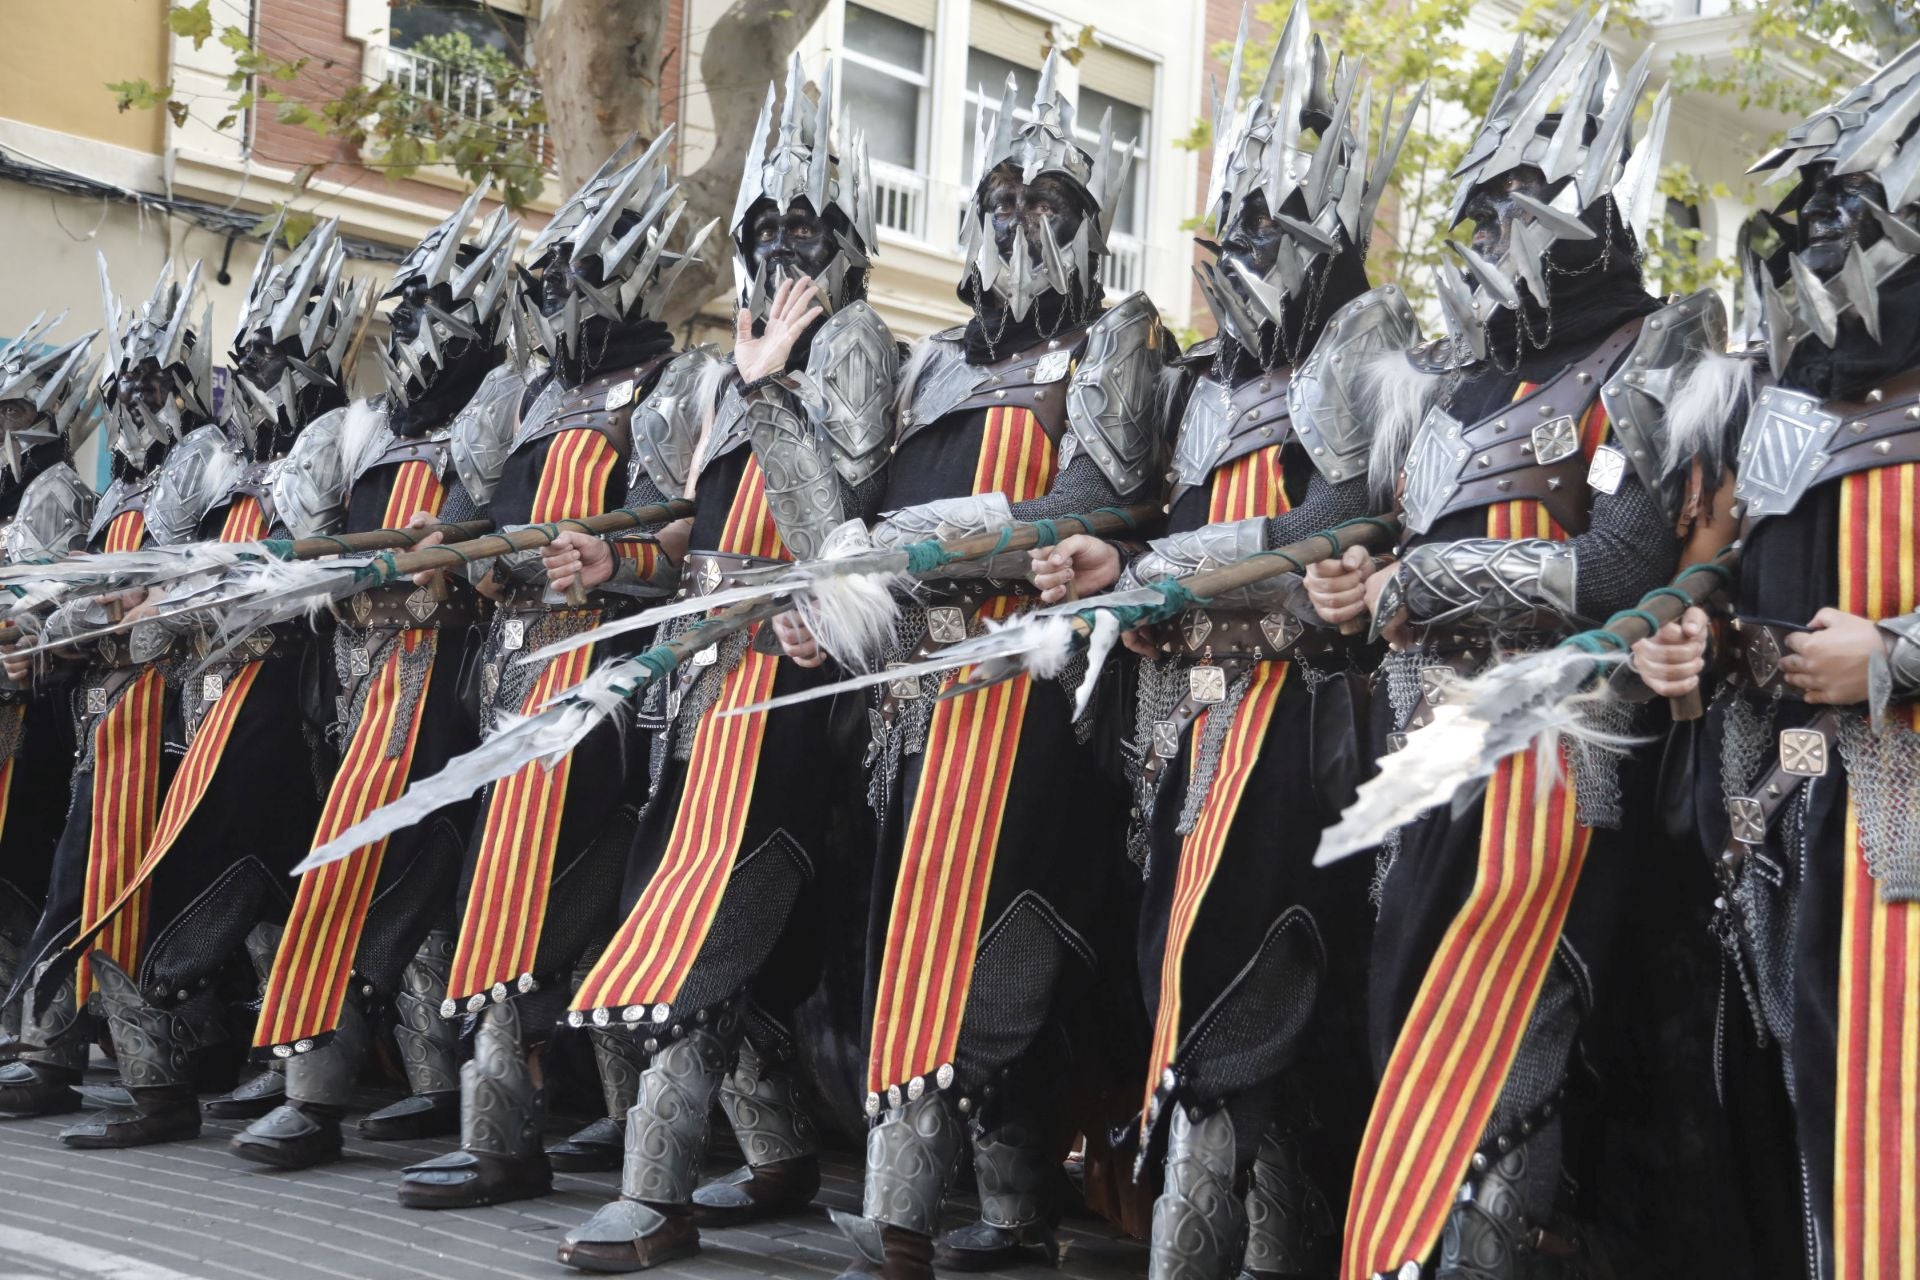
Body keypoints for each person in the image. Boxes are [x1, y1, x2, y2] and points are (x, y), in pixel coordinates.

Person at [1303, 14, 1739, 1276]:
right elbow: (1344, 543)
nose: (1489, 232)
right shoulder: (1449, 382)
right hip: (1420, 763)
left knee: (1504, 1069)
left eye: (1514, 203)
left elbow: (1615, 570)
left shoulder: (1657, 347)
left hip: (1557, 769)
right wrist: (1345, 594)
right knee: (1411, 1045)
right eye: (1481, 204)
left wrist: (1419, 578)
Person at [1029, 7, 1422, 1276]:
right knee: (1177, 963)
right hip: (1185, 717)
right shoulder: (1202, 376)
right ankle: (1273, 1237)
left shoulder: (1365, 341)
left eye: (1269, 217)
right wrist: (1115, 564)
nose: (1240, 240)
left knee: (1238, 968)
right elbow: (1155, 519)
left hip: (1295, 712)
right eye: (1232, 211)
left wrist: (1151, 574)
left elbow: (1332, 522)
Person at [819, 51, 1173, 1280]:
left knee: (994, 936)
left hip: (1033, 688)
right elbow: (854, 502)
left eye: (1054, 205)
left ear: (1091, 226)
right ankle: (999, 1199)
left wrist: (952, 537)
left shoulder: (1116, 341)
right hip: (915, 693)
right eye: (1007, 201)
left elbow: (1101, 489)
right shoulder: (926, 363)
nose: (1024, 224)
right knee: (902, 930)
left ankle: (912, 1211)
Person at [554, 54, 898, 1272]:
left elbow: (835, 541)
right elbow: (699, 545)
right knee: (683, 914)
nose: (784, 251)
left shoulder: (855, 350)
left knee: (706, 927)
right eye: (766, 229)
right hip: (700, 688)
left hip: (792, 688)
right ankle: (774, 1153)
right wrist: (620, 576)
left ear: (848, 242)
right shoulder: (729, 363)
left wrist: (769, 396)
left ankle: (657, 1193)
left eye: (808, 229)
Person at [1631, 42, 1920, 1277]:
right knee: (1820, 1114)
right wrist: (1703, 654)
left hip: (1907, 806)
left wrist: (1899, 653)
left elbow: (1863, 652)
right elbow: (1762, 618)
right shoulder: (1787, 405)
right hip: (1805, 810)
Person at [394, 131, 714, 1211]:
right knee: (512, 888)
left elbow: (686, 535)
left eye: (570, 271)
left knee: (547, 897)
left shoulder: (675, 382)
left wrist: (611, 557)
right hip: (509, 680)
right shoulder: (529, 395)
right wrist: (477, 568)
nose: (550, 294)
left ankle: (513, 1138)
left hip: (611, 683)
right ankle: (564, 1121)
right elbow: (477, 527)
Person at [16, 229, 367, 1150]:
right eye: (246, 354)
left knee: (288, 897)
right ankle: (172, 1080)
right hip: (182, 707)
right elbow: (132, 582)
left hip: (289, 706)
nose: (255, 372)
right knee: (189, 895)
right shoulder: (201, 466)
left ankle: (289, 1087)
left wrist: (160, 616)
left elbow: (308, 576)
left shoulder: (327, 441)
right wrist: (53, 637)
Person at [226, 190, 528, 1168]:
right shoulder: (363, 428)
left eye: (420, 319)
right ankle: (340, 1085)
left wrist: (447, 555)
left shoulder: (502, 399)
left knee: (421, 879)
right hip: (359, 690)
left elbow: (490, 532)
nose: (403, 340)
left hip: (451, 682)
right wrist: (332, 584)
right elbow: (306, 547)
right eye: (395, 322)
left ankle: (406, 1091)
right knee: (358, 874)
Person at [0, 260, 219, 1125]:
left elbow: (196, 588)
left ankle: (155, 1079)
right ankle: (53, 1055)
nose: (136, 397)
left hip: (164, 707)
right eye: (128, 380)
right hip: (101, 708)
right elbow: (79, 595)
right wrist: (42, 648)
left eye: (153, 380)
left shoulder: (199, 466)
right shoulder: (119, 488)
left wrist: (108, 623)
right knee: (75, 881)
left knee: (127, 890)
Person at [0, 317, 99, 1068]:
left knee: (21, 857)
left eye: (18, 411)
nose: (7, 427)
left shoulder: (56, 489)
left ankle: (24, 1024)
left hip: (34, 705)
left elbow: (42, 597)